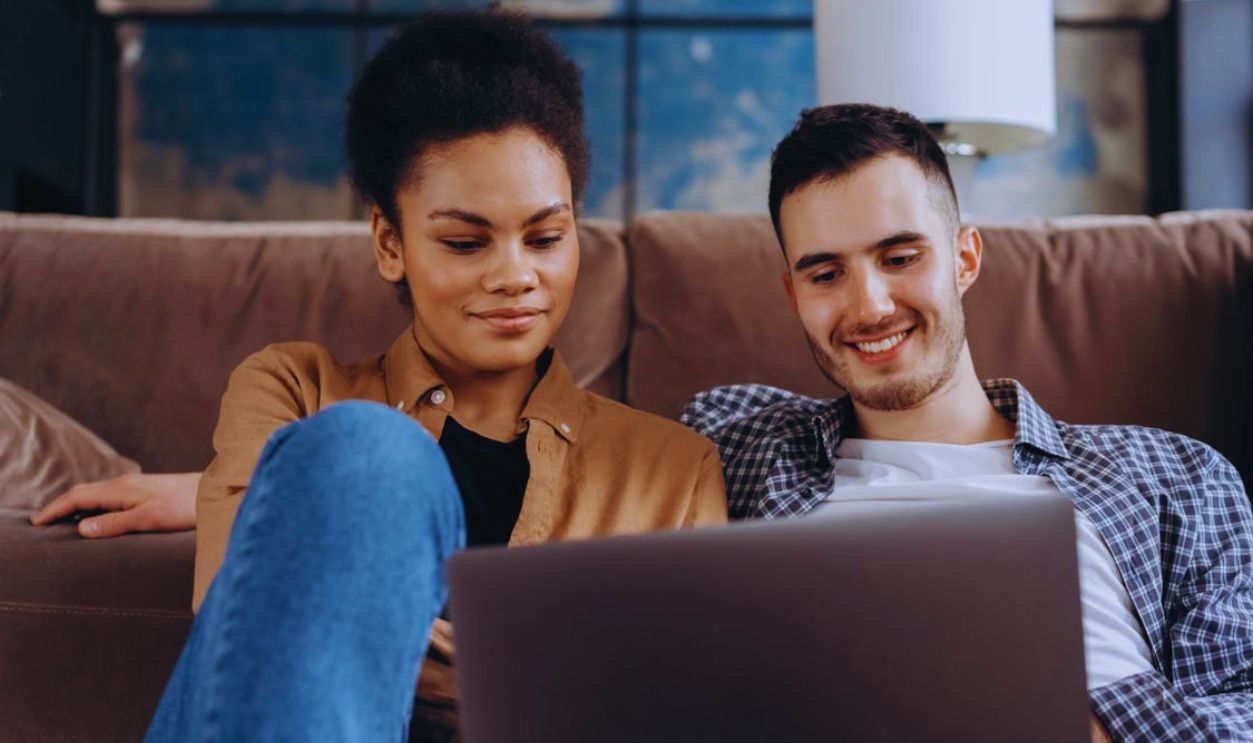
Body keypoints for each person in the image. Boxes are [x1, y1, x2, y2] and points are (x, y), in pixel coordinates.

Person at [105, 10, 726, 742]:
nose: (514, 275)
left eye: (546, 237)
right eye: (465, 242)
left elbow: (691, 706)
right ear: (389, 243)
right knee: (368, 450)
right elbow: (250, 632)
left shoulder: (677, 472)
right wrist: (549, 682)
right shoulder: (292, 392)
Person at [680, 103, 1253, 742]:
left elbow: (1240, 706)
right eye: (826, 274)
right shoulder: (737, 449)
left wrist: (1085, 726)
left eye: (899, 258)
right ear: (793, 296)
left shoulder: (1175, 476)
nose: (869, 306)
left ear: (966, 258)